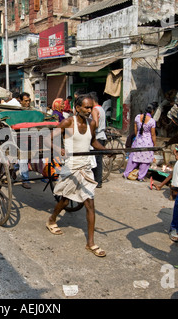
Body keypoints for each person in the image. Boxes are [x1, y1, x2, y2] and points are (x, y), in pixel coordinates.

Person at [47, 94, 108, 257]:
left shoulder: (92, 123)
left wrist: (106, 151)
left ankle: (91, 243)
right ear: (77, 108)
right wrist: (57, 148)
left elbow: (93, 142)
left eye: (90, 107)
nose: (89, 110)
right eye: (86, 108)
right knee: (65, 200)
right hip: (72, 166)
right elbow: (48, 139)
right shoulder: (68, 122)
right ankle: (52, 219)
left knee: (90, 203)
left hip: (86, 167)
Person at [123, 102, 158, 182]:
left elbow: (135, 130)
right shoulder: (152, 121)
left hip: (138, 140)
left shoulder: (137, 117)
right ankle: (141, 177)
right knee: (145, 160)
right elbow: (153, 134)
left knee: (133, 157)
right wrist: (154, 144)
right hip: (147, 142)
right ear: (152, 111)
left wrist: (138, 137)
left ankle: (126, 173)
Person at [90, 92, 107, 188]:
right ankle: (98, 181)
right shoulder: (101, 109)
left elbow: (95, 124)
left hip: (96, 136)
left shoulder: (95, 110)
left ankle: (95, 180)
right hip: (101, 135)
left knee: (94, 160)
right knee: (98, 160)